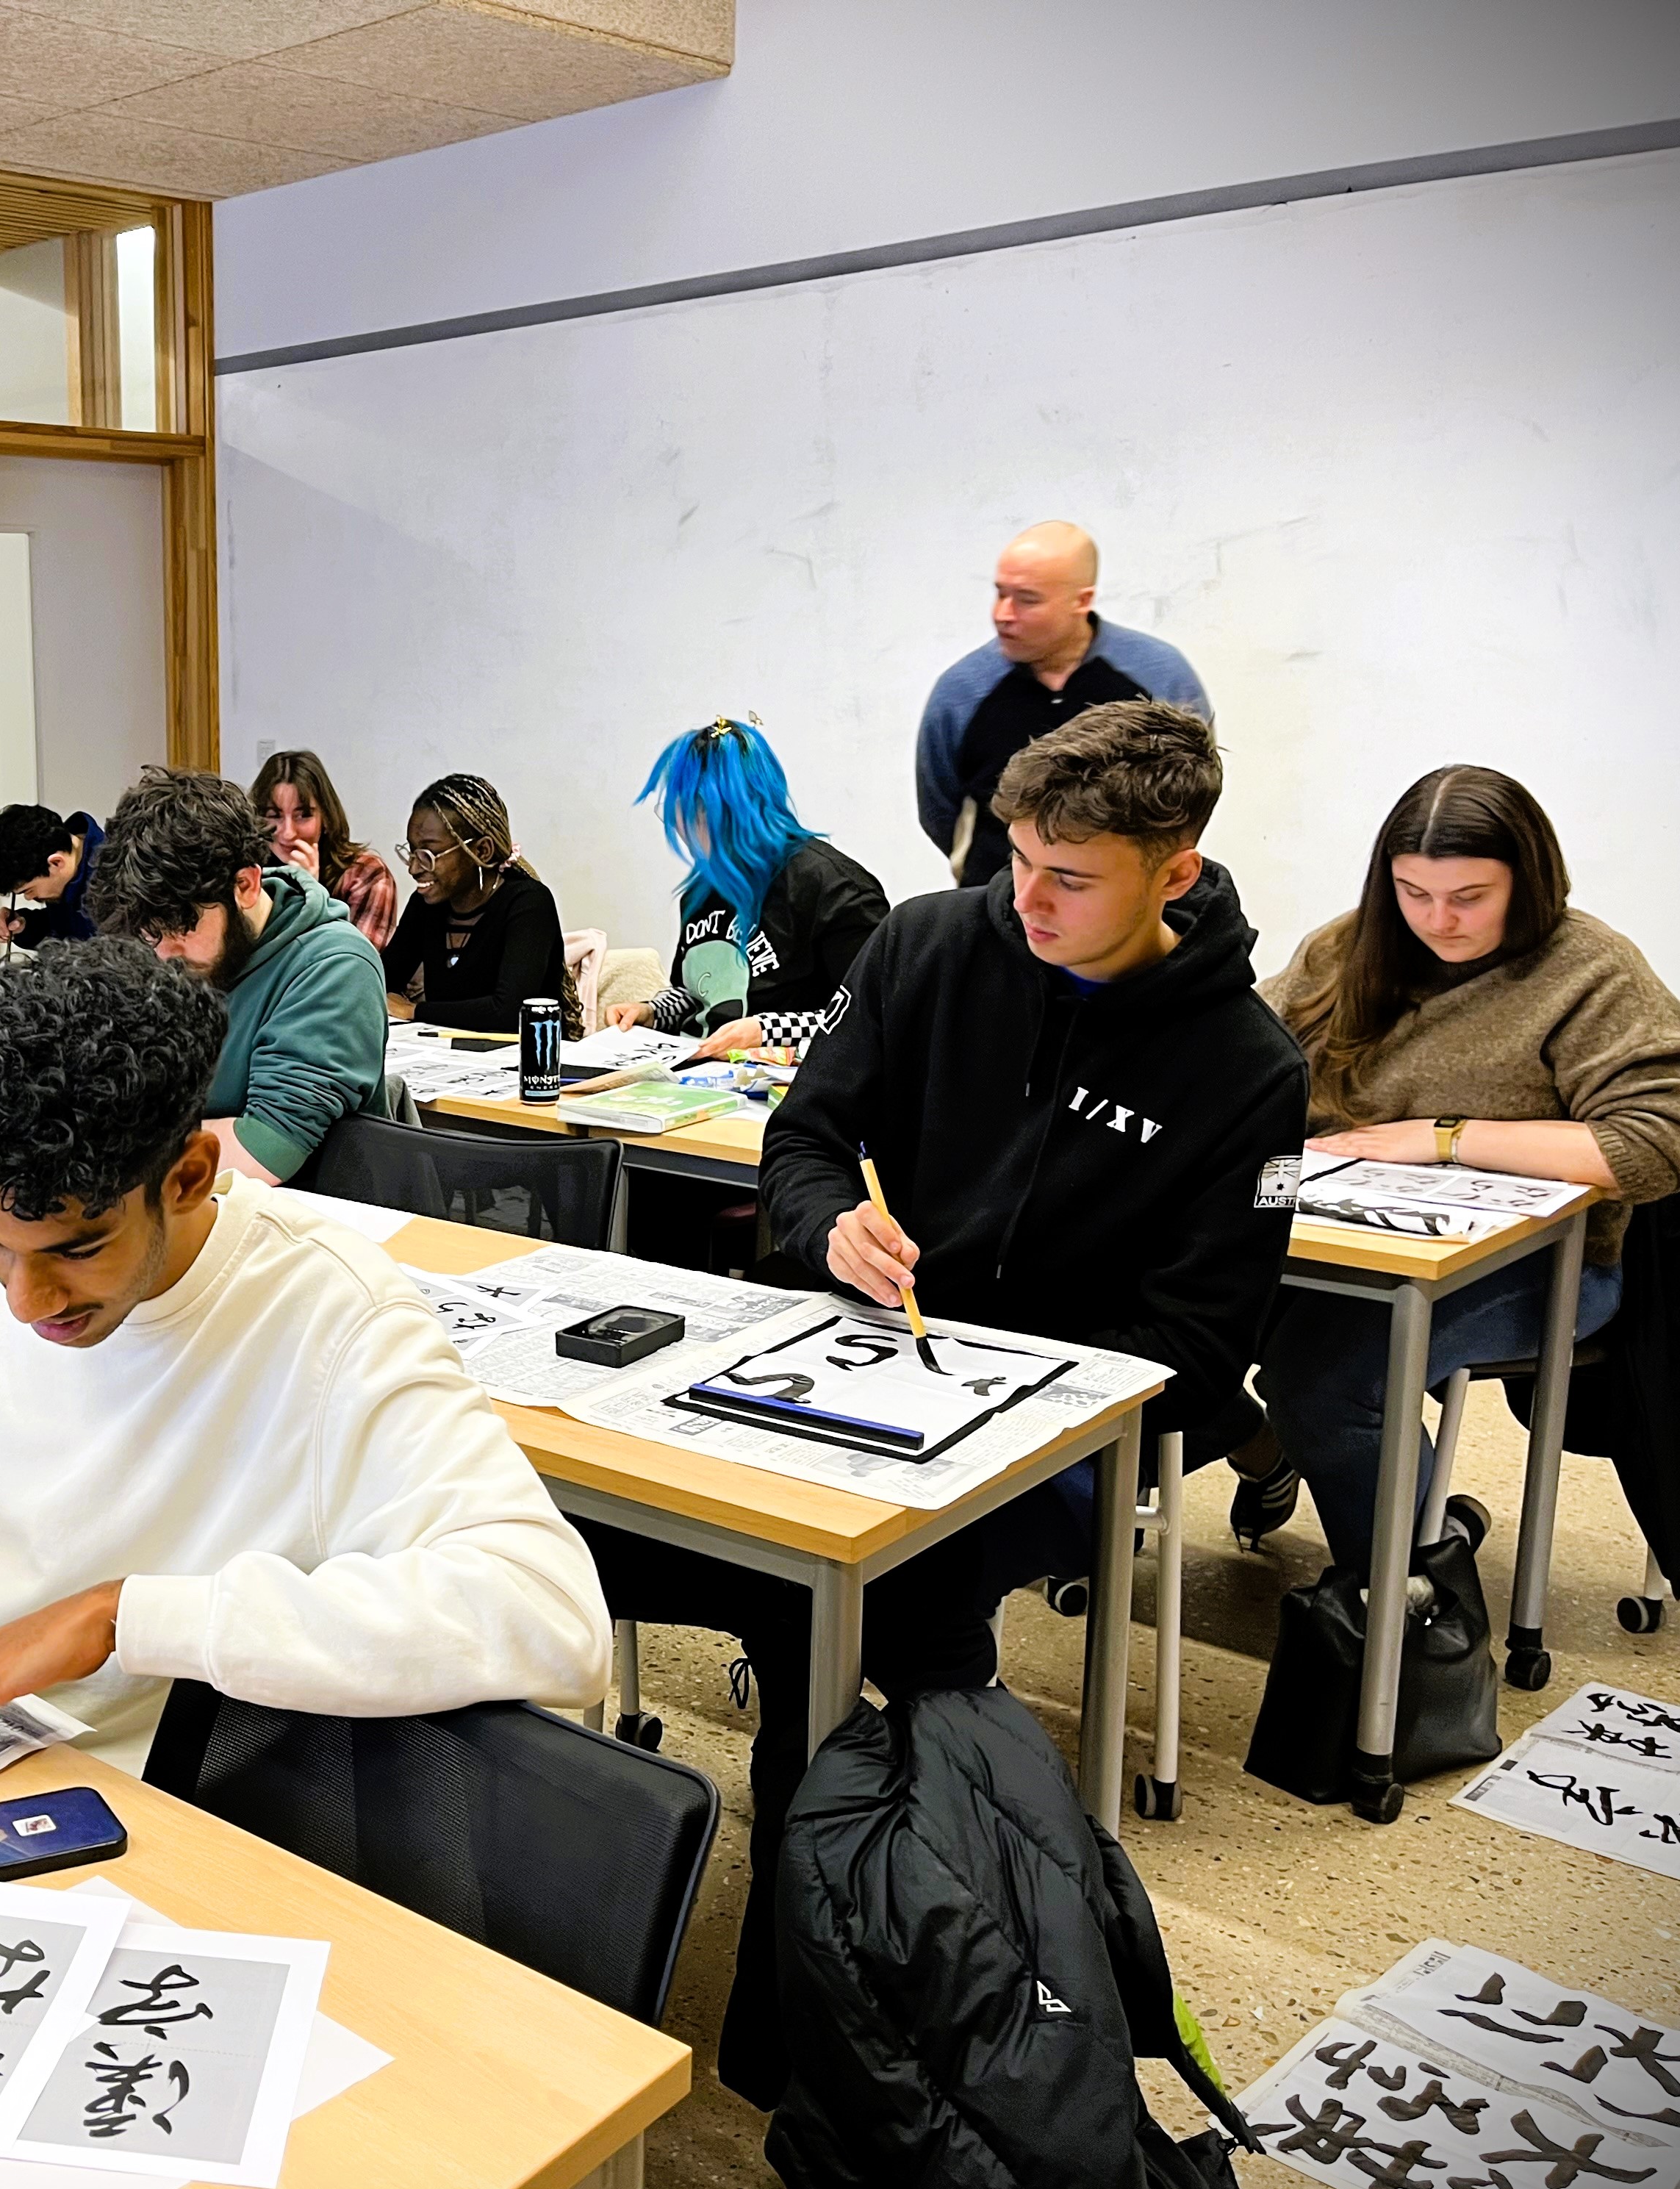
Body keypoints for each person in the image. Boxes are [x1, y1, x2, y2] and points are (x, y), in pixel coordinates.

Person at [579, 701, 1304, 2107]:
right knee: (574, 1518)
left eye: (1068, 877)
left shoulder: (1246, 1070)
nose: (1024, 900)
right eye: (1017, 859)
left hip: (1055, 1439)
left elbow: (1199, 1355)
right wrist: (825, 1228)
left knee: (839, 1602)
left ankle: (800, 2042)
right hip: (841, 1356)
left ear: (1174, 871)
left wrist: (997, 1388)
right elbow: (804, 1136)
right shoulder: (930, 941)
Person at [0, 936, 611, 1774]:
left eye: (76, 1251)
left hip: (103, 1775)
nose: (23, 1300)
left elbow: (553, 1613)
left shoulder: (331, 1317)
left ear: (188, 1177)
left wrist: (118, 1616)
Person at [1230, 767, 1680, 1566]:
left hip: (1543, 1265)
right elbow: (1243, 1064)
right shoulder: (1347, 947)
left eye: (1470, 897)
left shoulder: (1591, 969)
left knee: (1324, 1385)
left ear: (1528, 880)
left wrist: (1443, 1137)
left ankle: (1414, 1594)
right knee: (1167, 1322)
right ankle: (1289, 1467)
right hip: (1344, 1235)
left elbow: (1652, 1145)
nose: (1438, 920)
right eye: (1413, 893)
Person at [89, 767, 385, 1185]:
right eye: (150, 932)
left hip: (302, 1209)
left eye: (180, 926)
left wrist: (105, 1150)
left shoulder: (335, 966)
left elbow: (266, 1148)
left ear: (245, 886)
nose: (163, 954)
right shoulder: (174, 954)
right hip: (186, 1199)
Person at [914, 521, 1210, 889]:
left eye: (1027, 599)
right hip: (996, 904)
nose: (1003, 614)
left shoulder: (1161, 676)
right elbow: (940, 809)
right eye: (1000, 594)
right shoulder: (961, 691)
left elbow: (1193, 791)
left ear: (1082, 601)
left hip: (1132, 905)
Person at [600, 717, 890, 1056]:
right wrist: (651, 1012)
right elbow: (697, 994)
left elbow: (871, 1017)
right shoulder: (702, 890)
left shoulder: (835, 888)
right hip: (697, 1067)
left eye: (689, 811)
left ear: (727, 809)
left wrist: (766, 1031)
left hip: (783, 1077)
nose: (679, 828)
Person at [380, 774, 566, 1032]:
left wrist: (414, 1011)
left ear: (481, 851)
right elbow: (381, 982)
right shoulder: (425, 906)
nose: (414, 868)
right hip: (445, 1050)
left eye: (429, 854)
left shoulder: (528, 904)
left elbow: (509, 1012)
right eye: (412, 852)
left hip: (525, 1053)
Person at [249, 747, 398, 948]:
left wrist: (310, 893)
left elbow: (350, 961)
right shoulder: (248, 871)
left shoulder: (367, 875)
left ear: (326, 817)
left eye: (303, 815)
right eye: (274, 816)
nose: (288, 833)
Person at [0, 801, 101, 949]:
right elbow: (63, 927)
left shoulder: (120, 885)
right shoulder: (66, 863)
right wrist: (24, 926)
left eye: (29, 890)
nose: (29, 898)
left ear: (56, 863)